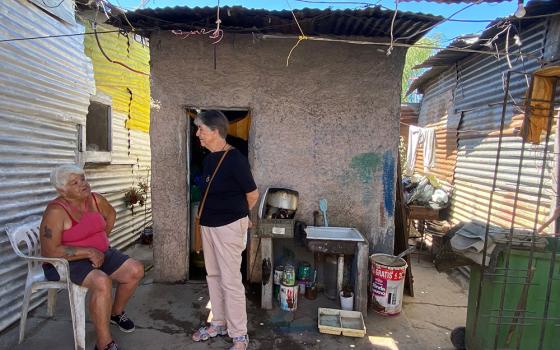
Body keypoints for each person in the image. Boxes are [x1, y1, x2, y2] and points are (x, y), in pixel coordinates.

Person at [40, 164, 144, 350]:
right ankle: (104, 343)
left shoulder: (95, 199)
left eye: (83, 179)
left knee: (135, 270)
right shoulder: (56, 212)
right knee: (102, 282)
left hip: (100, 254)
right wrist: (88, 251)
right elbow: (50, 251)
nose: (83, 184)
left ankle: (116, 313)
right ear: (61, 190)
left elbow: (110, 213)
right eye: (75, 182)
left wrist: (102, 239)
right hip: (65, 262)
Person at [191, 110, 259, 350]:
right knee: (213, 277)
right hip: (209, 226)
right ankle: (218, 323)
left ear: (215, 131)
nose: (197, 133)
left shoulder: (235, 159)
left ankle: (239, 335)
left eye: (201, 129)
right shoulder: (209, 158)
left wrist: (239, 218)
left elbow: (252, 194)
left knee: (230, 281)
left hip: (228, 227)